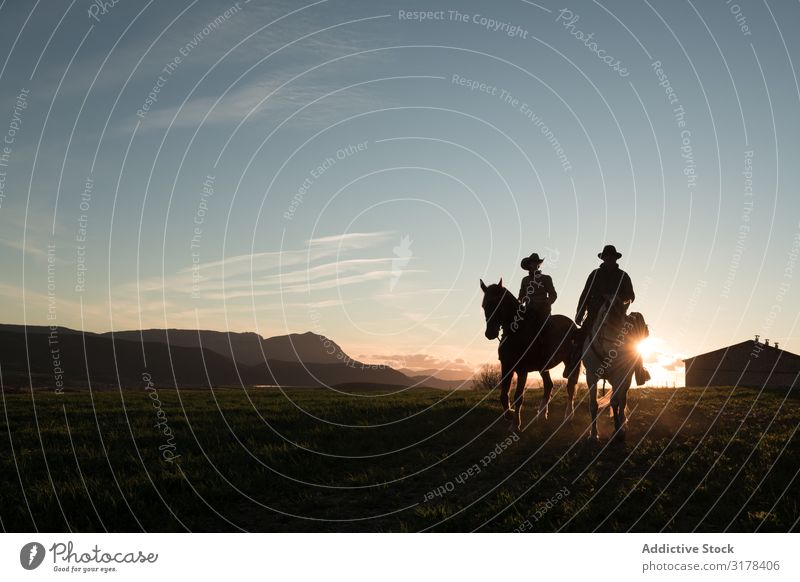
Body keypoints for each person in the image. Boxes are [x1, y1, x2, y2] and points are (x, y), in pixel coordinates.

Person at [575, 244, 649, 384]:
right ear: (603, 258)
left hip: (617, 315)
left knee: (634, 339)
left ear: (615, 258)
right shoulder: (594, 274)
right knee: (579, 338)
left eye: (611, 257)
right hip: (595, 314)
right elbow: (585, 293)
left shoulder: (623, 275)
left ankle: (639, 370)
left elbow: (631, 296)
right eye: (607, 257)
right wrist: (580, 312)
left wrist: (617, 299)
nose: (609, 259)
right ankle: (573, 365)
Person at [518, 252, 557, 328]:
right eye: (532, 263)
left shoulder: (546, 278)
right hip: (528, 310)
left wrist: (546, 303)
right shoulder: (524, 280)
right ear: (529, 265)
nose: (534, 265)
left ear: (538, 265)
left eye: (535, 263)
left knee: (546, 328)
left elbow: (553, 295)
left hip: (543, 311)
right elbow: (521, 297)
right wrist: (521, 301)